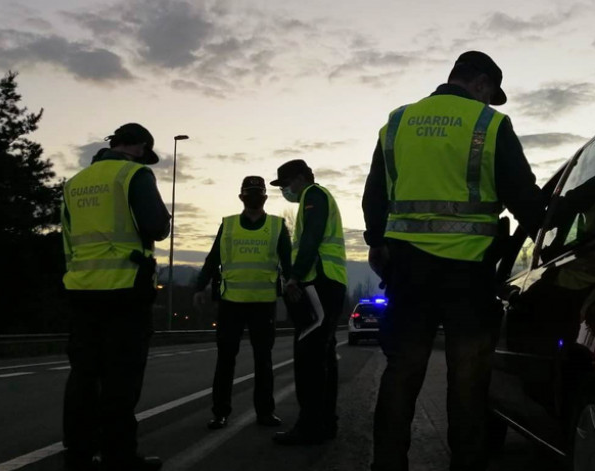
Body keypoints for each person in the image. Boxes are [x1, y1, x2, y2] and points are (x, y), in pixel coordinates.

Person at [362, 51, 546, 471]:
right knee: (468, 381)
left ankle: (387, 465)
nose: (489, 104)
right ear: (480, 83)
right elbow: (523, 198)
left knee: (402, 374)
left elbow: (375, 194)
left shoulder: (397, 123)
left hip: (407, 273)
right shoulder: (490, 125)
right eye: (489, 95)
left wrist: (377, 243)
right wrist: (552, 239)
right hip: (469, 275)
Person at [61, 123, 170, 471]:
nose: (145, 160)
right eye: (145, 154)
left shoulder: (74, 183)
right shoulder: (132, 175)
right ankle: (118, 456)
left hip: (81, 289)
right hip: (125, 289)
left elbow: (66, 240)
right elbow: (156, 227)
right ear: (138, 146)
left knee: (83, 375)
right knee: (121, 378)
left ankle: (78, 454)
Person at [194, 176, 291, 430]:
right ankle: (220, 413)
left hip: (263, 304)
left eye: (257, 194)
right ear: (241, 198)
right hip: (231, 303)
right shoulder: (228, 226)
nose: (253, 199)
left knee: (263, 360)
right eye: (249, 194)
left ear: (265, 198)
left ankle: (265, 412)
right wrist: (199, 286)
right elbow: (212, 258)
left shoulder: (277, 226)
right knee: (225, 360)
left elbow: (289, 264)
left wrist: (294, 285)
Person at [269, 159, 347, 446]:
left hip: (318, 282)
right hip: (329, 283)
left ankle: (310, 426)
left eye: (286, 183)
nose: (284, 190)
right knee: (323, 356)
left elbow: (312, 239)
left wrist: (295, 277)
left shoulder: (314, 196)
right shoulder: (317, 198)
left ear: (301, 178)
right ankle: (325, 423)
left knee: (309, 358)